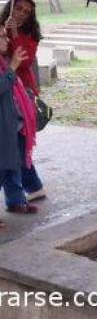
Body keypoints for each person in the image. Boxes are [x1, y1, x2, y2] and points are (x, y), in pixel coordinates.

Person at [0, 0, 45, 201]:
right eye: (18, 8)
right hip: (5, 91)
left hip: (22, 93)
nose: (21, 13)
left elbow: (24, 62)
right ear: (10, 8)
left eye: (26, 12)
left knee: (19, 143)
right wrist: (5, 31)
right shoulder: (2, 29)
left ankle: (22, 193)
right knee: (13, 146)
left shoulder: (30, 35)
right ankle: (27, 190)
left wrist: (15, 34)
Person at [0, 27, 39, 222]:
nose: (5, 39)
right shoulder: (7, 65)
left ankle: (16, 200)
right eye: (1, 36)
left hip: (12, 122)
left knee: (13, 163)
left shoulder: (3, 60)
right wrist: (11, 69)